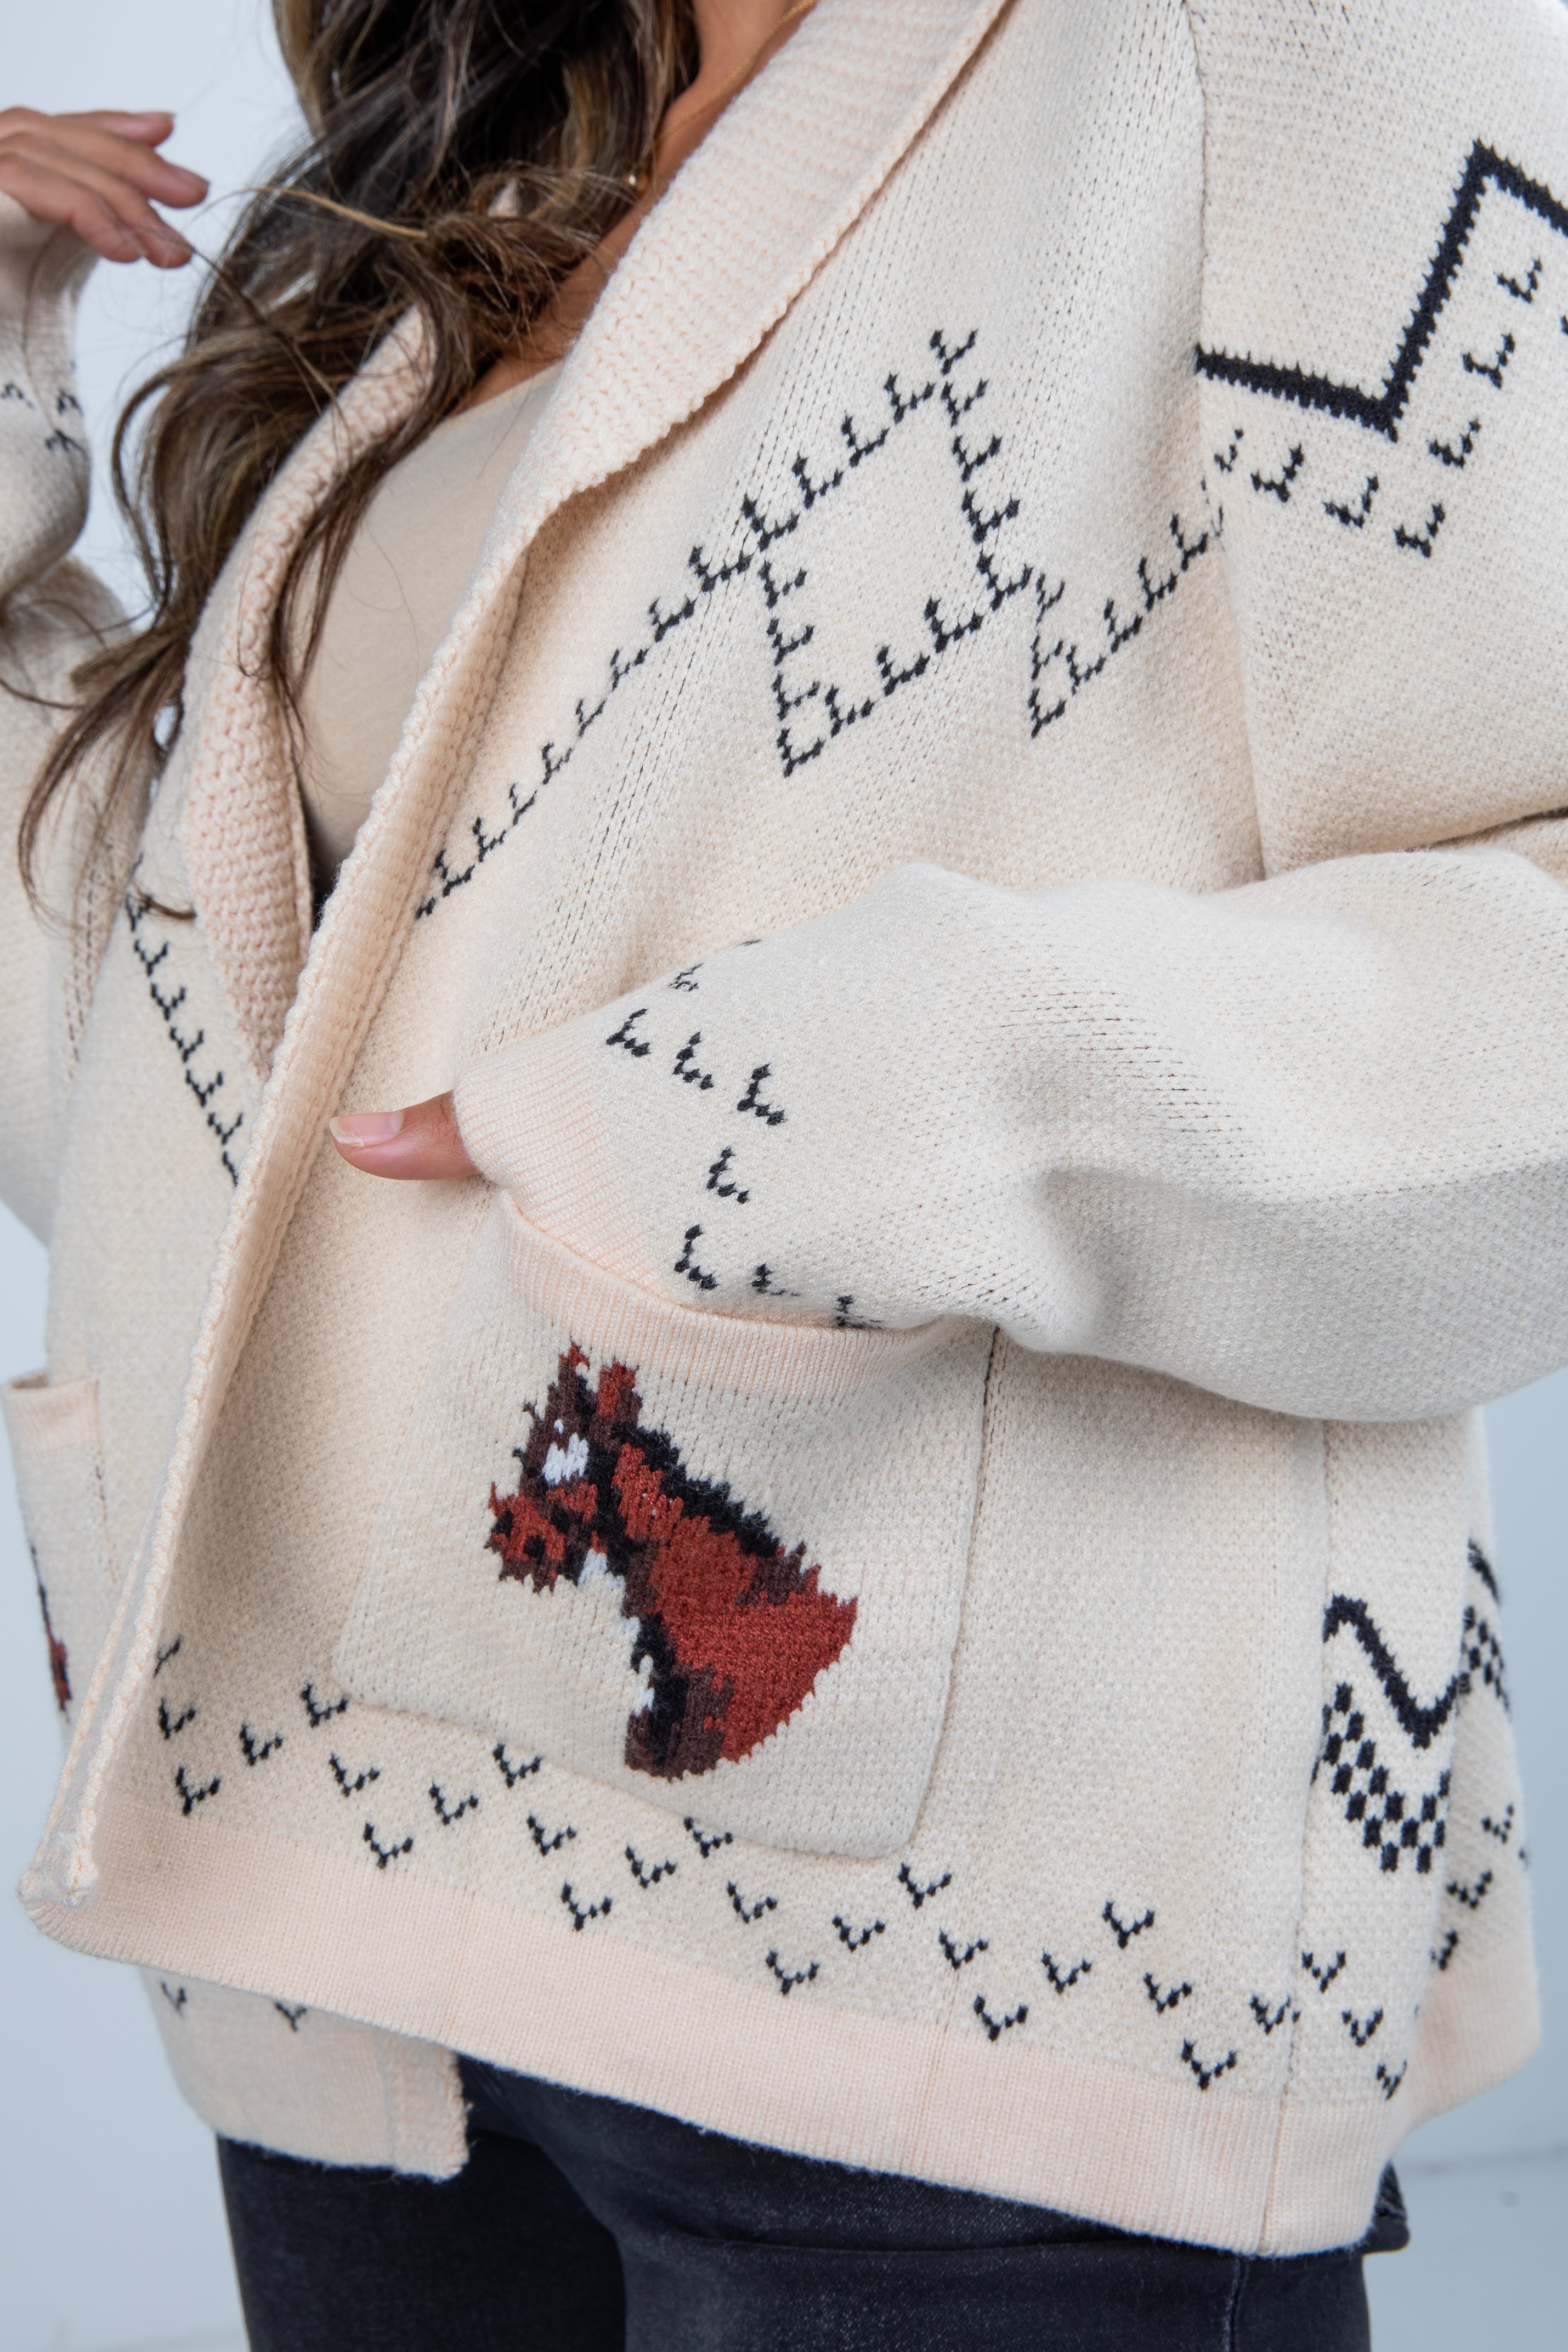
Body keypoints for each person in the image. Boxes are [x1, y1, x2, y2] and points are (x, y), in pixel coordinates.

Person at [2, 0, 1566, 2343]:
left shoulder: (1285, 47)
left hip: (962, 1972)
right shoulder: (518, 126)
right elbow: (154, 1056)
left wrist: (781, 1115)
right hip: (332, 1917)